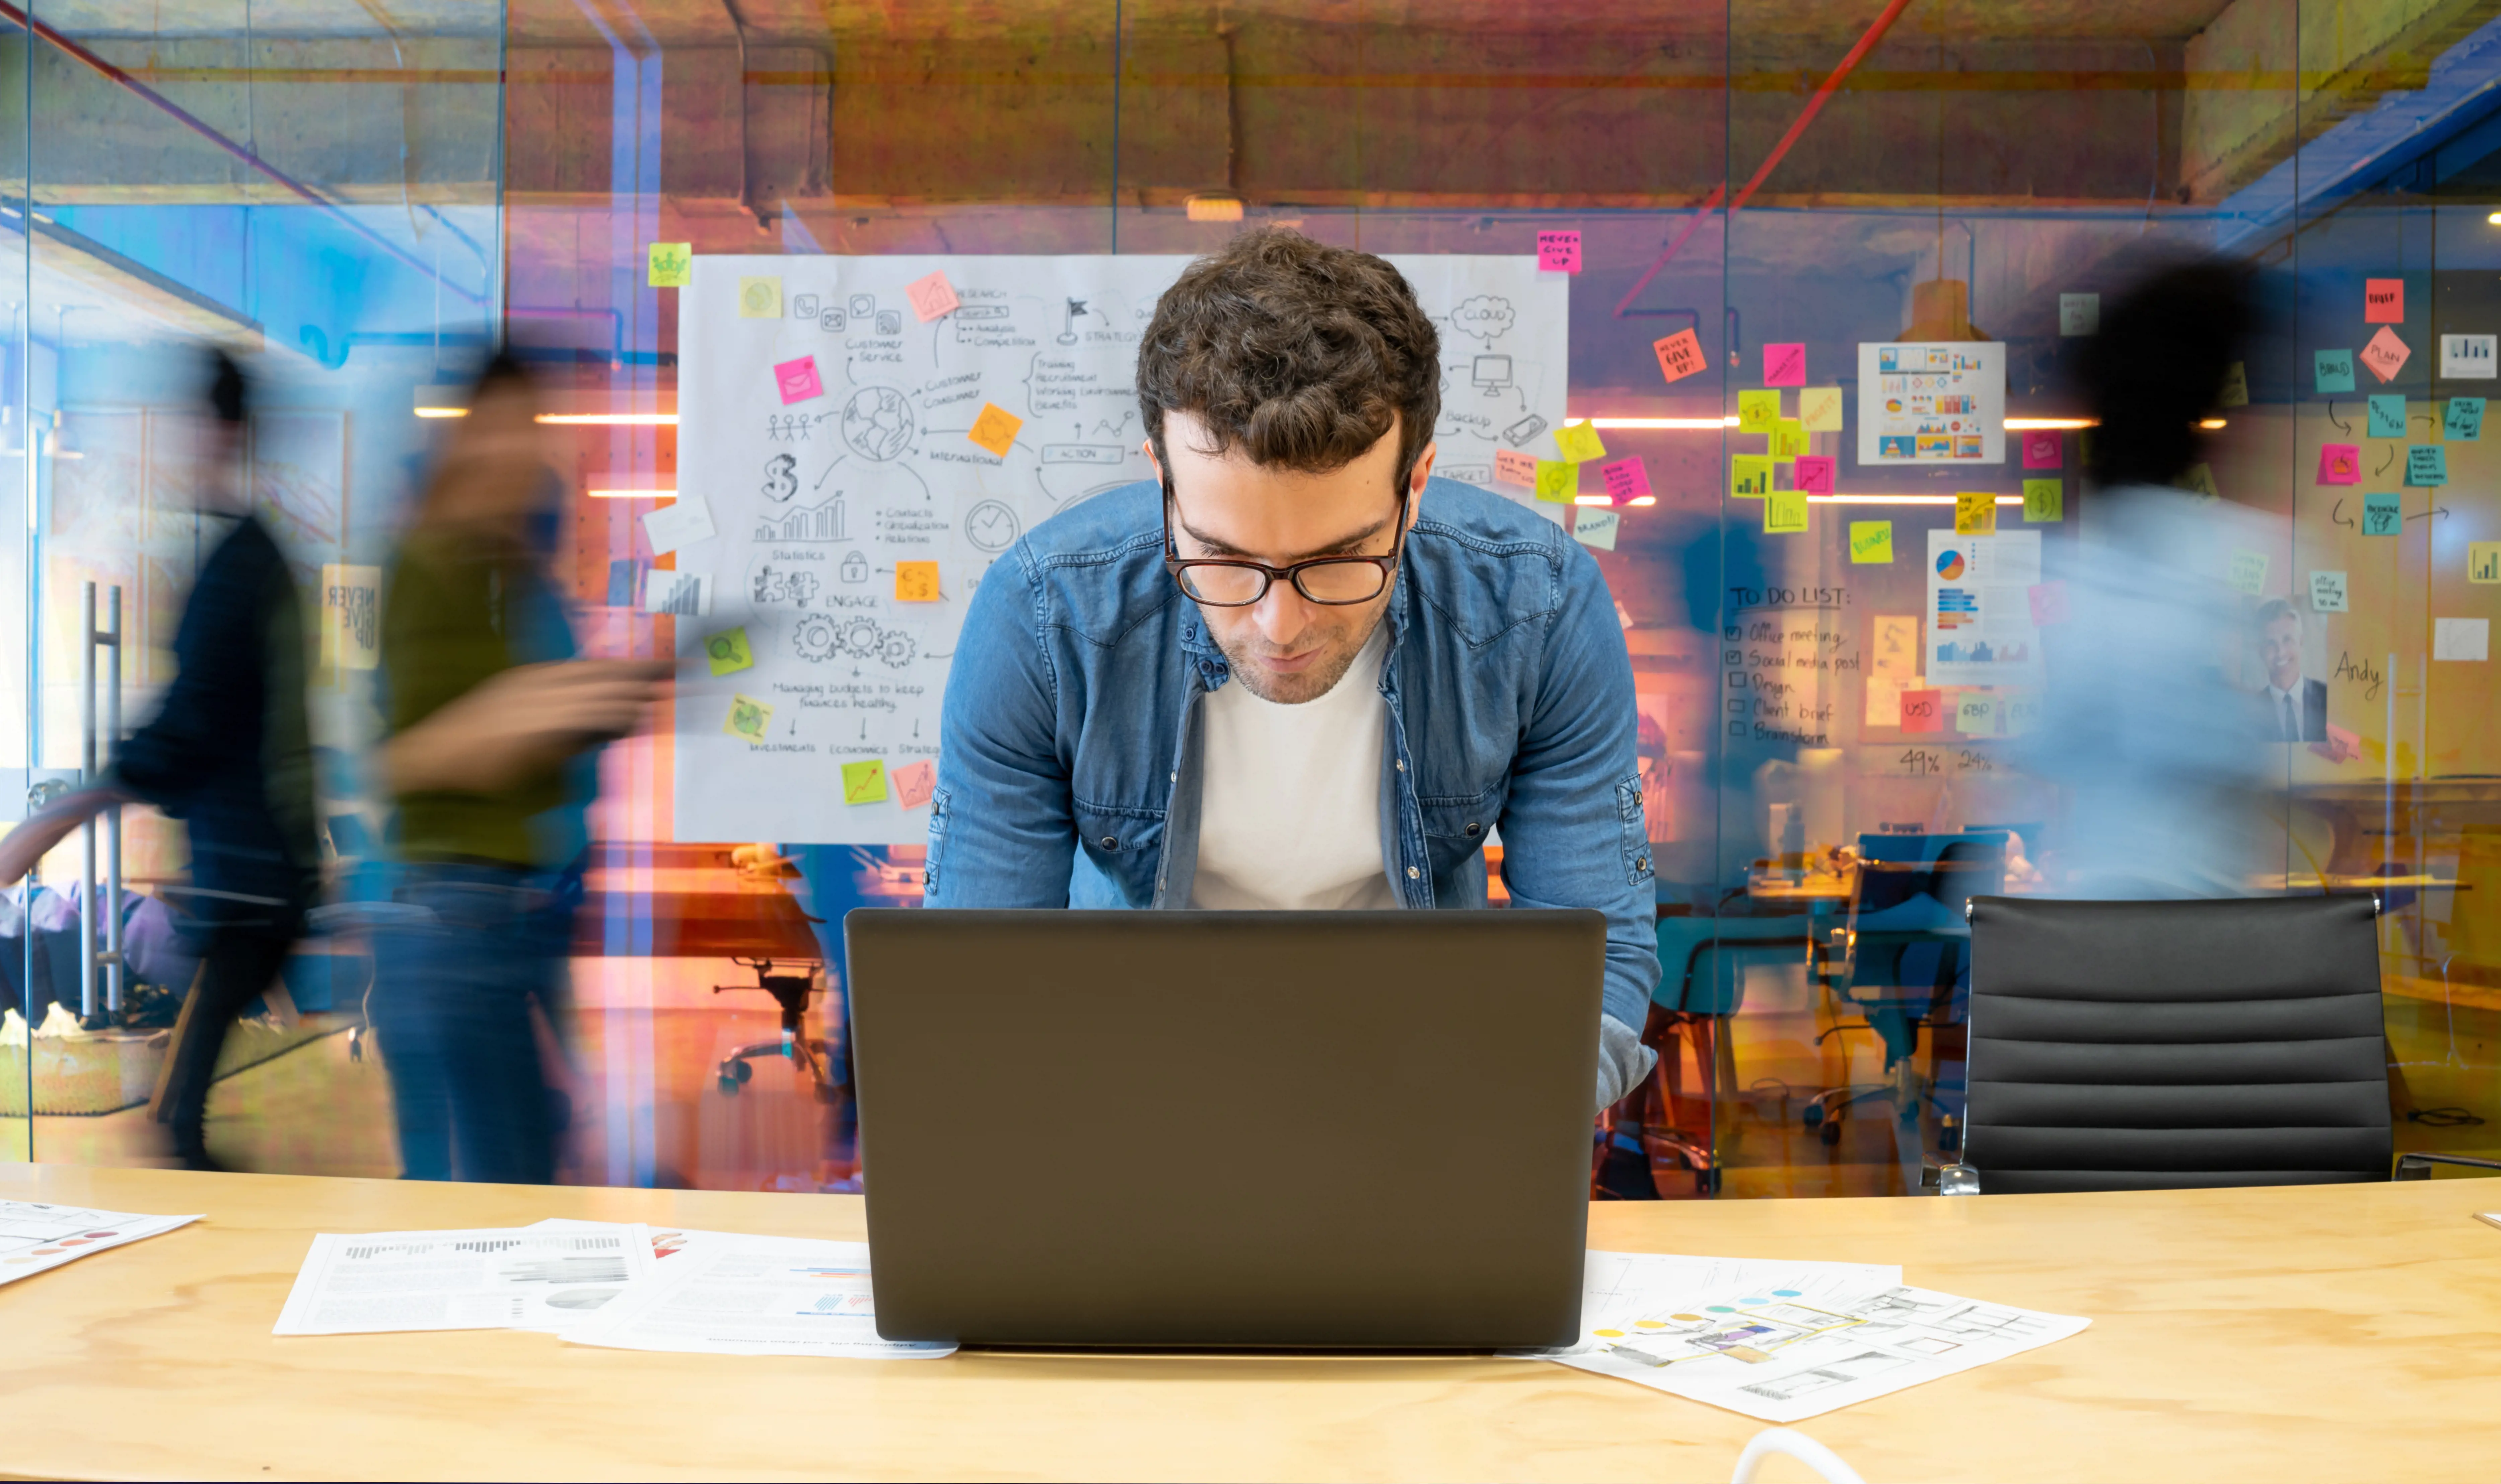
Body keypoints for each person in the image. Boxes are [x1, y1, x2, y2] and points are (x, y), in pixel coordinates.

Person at [927, 229, 1661, 1109]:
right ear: (1162, 476)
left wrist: (1506, 1127)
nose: (1279, 625)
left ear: (1415, 482)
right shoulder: (1044, 615)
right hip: (1131, 1087)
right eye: (1222, 557)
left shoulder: (1537, 607)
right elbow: (981, 982)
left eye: (1340, 558)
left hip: (1431, 1090)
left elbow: (1595, 955)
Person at [0, 349, 317, 1170]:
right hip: (251, 873)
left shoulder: (241, 567)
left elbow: (192, 727)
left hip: (250, 881)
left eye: (181, 425)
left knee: (175, 1118)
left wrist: (56, 817)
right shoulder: (252, 560)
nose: (168, 447)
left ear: (219, 432)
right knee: (176, 1116)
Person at [370, 353, 666, 1183]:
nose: (523, 452)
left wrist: (596, 702)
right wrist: (550, 705)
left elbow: (532, 732)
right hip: (454, 923)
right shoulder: (428, 567)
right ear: (466, 438)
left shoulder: (512, 576)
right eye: (504, 427)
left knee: (526, 1186)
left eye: (532, 429)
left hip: (524, 915)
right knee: (482, 1208)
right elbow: (410, 755)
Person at [2022, 260, 2276, 898]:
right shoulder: (2239, 553)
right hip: (2200, 916)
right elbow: (2236, 749)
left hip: (2110, 913)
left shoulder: (2084, 566)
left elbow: (2051, 737)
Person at [2252, 598, 2328, 743]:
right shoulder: (2250, 712)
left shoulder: (2328, 698)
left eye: (2287, 640)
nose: (2281, 653)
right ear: (2260, 651)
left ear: (2301, 642)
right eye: (2270, 643)